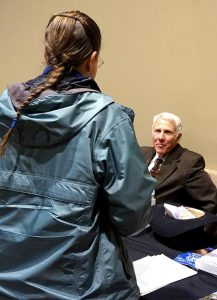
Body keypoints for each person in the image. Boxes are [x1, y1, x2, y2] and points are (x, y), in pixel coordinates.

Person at [0, 10, 156, 300]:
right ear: (93, 59)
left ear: (47, 54)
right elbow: (132, 219)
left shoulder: (6, 112)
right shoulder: (108, 119)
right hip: (81, 287)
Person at [141, 112, 217, 215]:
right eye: (157, 131)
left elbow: (211, 202)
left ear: (178, 137)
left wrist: (194, 228)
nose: (161, 137)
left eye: (167, 132)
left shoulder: (190, 163)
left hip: (160, 223)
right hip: (132, 218)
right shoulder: (141, 153)